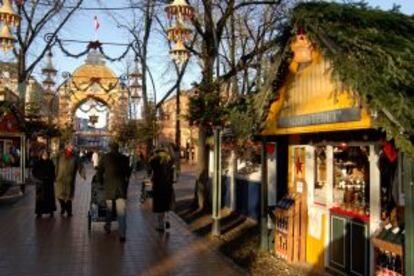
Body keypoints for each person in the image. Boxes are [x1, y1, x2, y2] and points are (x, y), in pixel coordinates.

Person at [96, 142, 131, 242]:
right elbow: (128, 172)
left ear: (110, 148)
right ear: (118, 148)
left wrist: (100, 182)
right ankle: (122, 234)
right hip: (121, 188)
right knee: (121, 212)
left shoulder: (105, 157)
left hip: (109, 188)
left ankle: (108, 226)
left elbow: (99, 172)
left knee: (109, 209)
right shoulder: (124, 158)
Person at [149, 144, 175, 232]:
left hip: (158, 185)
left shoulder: (155, 160)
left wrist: (153, 154)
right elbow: (173, 160)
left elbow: (150, 164)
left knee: (159, 206)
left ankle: (160, 225)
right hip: (167, 185)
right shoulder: (169, 159)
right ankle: (167, 220)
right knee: (166, 204)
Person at [55, 144, 86, 217]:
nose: (71, 147)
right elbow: (56, 164)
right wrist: (55, 174)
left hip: (70, 178)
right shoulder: (60, 154)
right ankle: (63, 207)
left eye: (72, 146)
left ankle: (69, 212)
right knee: (59, 195)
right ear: (66, 146)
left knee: (69, 197)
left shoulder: (75, 156)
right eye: (70, 146)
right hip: (60, 178)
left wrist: (83, 174)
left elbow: (80, 166)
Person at [32, 150, 56, 218]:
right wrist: (38, 179)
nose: (45, 156)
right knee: (40, 199)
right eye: (44, 154)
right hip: (40, 183)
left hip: (49, 183)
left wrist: (52, 178)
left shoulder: (50, 162)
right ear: (41, 155)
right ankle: (39, 212)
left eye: (46, 154)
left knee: (49, 198)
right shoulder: (37, 163)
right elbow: (34, 172)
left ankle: (51, 211)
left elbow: (53, 171)